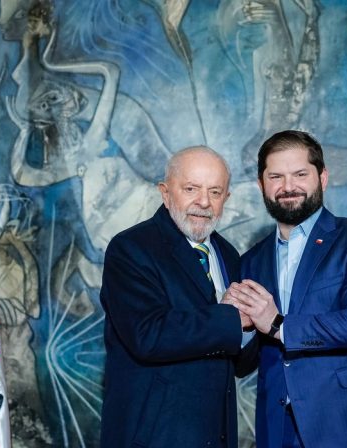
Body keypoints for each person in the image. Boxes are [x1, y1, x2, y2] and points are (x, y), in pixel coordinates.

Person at [226, 130, 347, 447]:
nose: (288, 187)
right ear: (261, 185)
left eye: (300, 174)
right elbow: (244, 364)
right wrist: (238, 325)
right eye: (276, 177)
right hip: (278, 431)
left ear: (322, 178)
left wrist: (277, 323)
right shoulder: (250, 262)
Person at [99, 146, 251, 447]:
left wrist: (255, 325)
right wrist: (233, 318)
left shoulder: (229, 255)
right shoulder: (130, 248)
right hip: (154, 435)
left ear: (226, 199)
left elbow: (241, 360)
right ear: (166, 193)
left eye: (215, 192)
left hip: (216, 435)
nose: (204, 202)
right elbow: (148, 335)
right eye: (191, 188)